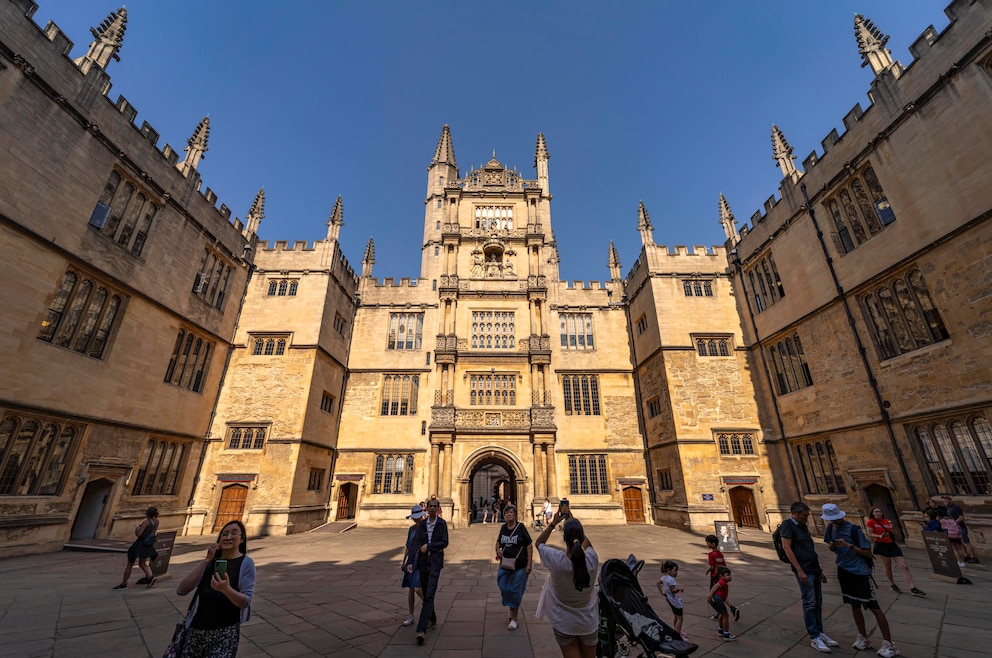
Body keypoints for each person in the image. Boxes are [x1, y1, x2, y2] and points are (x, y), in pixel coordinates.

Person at [822, 504, 900, 658]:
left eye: (835, 519)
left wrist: (849, 545)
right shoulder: (831, 528)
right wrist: (832, 546)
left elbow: (868, 554)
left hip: (860, 572)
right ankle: (863, 637)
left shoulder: (854, 530)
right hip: (843, 571)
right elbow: (832, 549)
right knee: (854, 604)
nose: (833, 522)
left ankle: (889, 644)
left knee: (874, 606)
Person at [176, 520, 255, 658]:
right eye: (224, 534)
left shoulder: (246, 563)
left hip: (225, 632)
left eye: (234, 533)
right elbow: (181, 590)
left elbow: (245, 602)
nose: (228, 537)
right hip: (196, 630)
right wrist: (207, 560)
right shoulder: (210, 562)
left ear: (241, 539)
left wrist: (226, 589)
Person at [535, 512, 599, 658]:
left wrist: (553, 524)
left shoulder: (557, 561)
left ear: (564, 538)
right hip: (588, 622)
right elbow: (588, 547)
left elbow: (539, 544)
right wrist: (574, 524)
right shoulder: (592, 560)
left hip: (564, 622)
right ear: (581, 537)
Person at [779, 502, 838, 654]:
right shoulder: (788, 526)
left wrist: (820, 571)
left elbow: (809, 549)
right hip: (804, 569)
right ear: (795, 513)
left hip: (813, 568)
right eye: (804, 515)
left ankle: (819, 632)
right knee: (810, 602)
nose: (807, 518)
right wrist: (799, 570)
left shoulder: (802, 525)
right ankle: (814, 637)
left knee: (818, 602)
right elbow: (787, 548)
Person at [409, 498, 448, 645]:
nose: (432, 509)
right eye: (430, 506)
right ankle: (432, 619)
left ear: (438, 508)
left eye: (434, 506)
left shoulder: (442, 524)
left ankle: (421, 629)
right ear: (426, 508)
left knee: (430, 594)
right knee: (426, 594)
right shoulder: (423, 525)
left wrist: (429, 547)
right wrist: (410, 562)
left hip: (435, 564)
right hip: (423, 563)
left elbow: (445, 542)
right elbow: (415, 544)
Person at [866, 506, 925, 597]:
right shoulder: (871, 522)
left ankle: (912, 588)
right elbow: (870, 534)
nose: (878, 513)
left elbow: (894, 534)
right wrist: (879, 536)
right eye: (876, 512)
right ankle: (892, 584)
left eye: (880, 511)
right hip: (881, 545)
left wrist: (892, 529)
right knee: (887, 566)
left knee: (904, 566)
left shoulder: (886, 521)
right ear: (872, 513)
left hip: (892, 544)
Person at [495, 504, 534, 630]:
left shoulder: (521, 528)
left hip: (519, 566)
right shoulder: (503, 528)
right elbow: (498, 542)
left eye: (511, 512)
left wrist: (529, 563)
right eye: (506, 513)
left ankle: (514, 617)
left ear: (515, 514)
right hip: (505, 564)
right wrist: (497, 550)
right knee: (502, 586)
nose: (508, 514)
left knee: (515, 591)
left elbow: (529, 545)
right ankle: (511, 606)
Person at [113, 506, 159, 590]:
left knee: (130, 564)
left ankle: (124, 583)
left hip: (139, 544)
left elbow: (139, 534)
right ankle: (151, 576)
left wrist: (137, 528)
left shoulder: (146, 522)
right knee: (142, 563)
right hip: (147, 544)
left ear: (147, 513)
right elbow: (153, 532)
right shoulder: (156, 521)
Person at [401, 505, 426, 626]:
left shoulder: (426, 529)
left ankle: (427, 604)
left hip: (420, 561)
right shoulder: (411, 530)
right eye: (414, 518)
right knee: (410, 589)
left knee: (417, 588)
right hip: (411, 561)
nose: (416, 520)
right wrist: (403, 561)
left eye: (417, 517)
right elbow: (408, 545)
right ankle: (411, 615)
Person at [942, 495, 979, 563]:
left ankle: (974, 557)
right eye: (944, 500)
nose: (945, 501)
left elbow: (961, 517)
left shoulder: (956, 507)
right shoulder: (948, 509)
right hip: (954, 530)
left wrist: (954, 523)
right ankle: (966, 556)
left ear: (950, 500)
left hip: (961, 527)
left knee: (966, 542)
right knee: (960, 543)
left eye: (946, 499)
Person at [656, 560, 687, 640]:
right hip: (675, 601)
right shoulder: (671, 580)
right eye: (675, 570)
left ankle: (676, 630)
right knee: (680, 618)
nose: (676, 573)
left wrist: (661, 591)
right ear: (669, 570)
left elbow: (658, 583)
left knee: (676, 616)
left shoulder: (664, 577)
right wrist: (679, 589)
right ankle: (678, 635)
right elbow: (672, 590)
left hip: (670, 600)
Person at [706, 566, 737, 641]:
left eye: (730, 575)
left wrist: (731, 605)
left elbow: (724, 597)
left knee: (721, 614)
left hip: (718, 599)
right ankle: (726, 634)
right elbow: (715, 587)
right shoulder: (722, 582)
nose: (730, 577)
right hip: (718, 599)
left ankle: (721, 630)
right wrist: (710, 595)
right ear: (721, 576)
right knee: (726, 616)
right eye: (728, 575)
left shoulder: (724, 583)